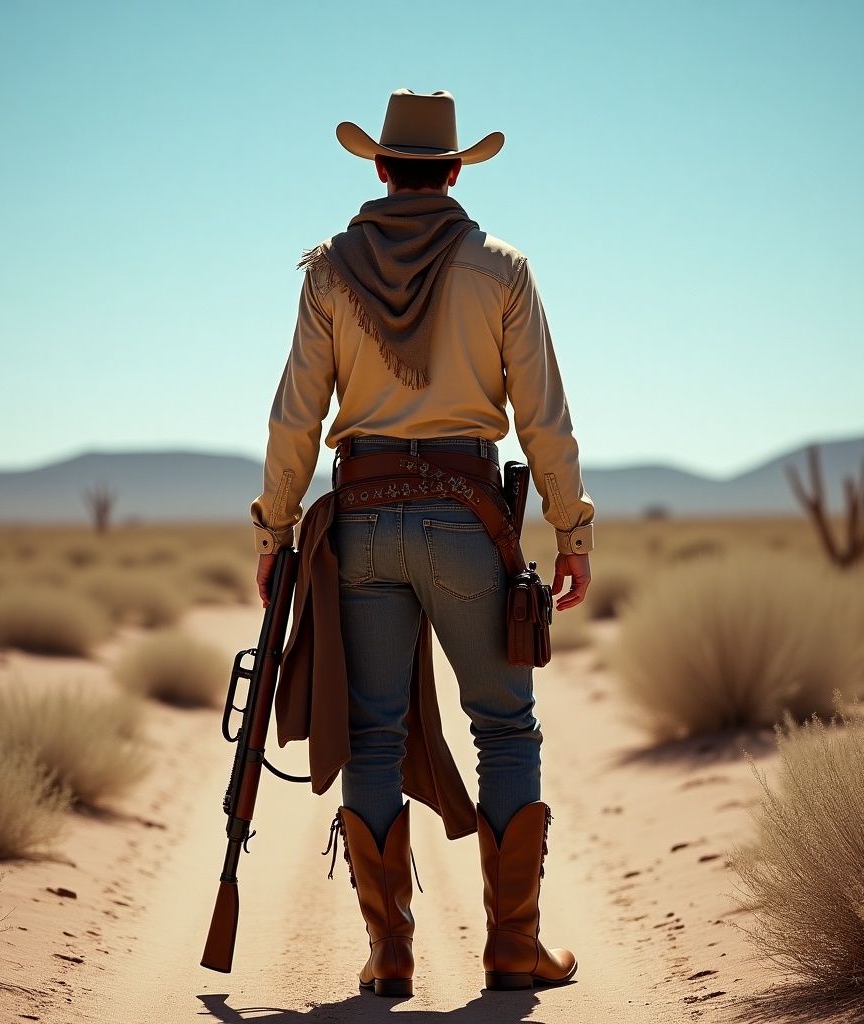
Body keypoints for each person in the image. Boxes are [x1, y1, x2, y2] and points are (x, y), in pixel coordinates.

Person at [251, 89, 594, 998]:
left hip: (359, 523)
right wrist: (571, 528)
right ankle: (513, 949)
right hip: (467, 522)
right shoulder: (503, 269)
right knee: (505, 725)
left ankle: (391, 953)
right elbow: (542, 418)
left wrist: (274, 527)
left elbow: (296, 415)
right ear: (452, 170)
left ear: (377, 167)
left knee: (370, 737)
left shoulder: (328, 271)